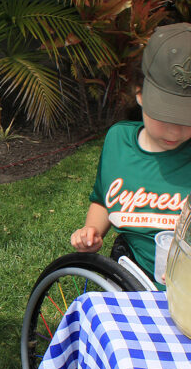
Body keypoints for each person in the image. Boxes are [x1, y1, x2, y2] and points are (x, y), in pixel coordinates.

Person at [70, 23, 191, 289]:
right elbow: (103, 199)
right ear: (140, 93)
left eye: (187, 118)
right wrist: (92, 232)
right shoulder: (118, 141)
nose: (175, 129)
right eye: (164, 115)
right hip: (137, 279)